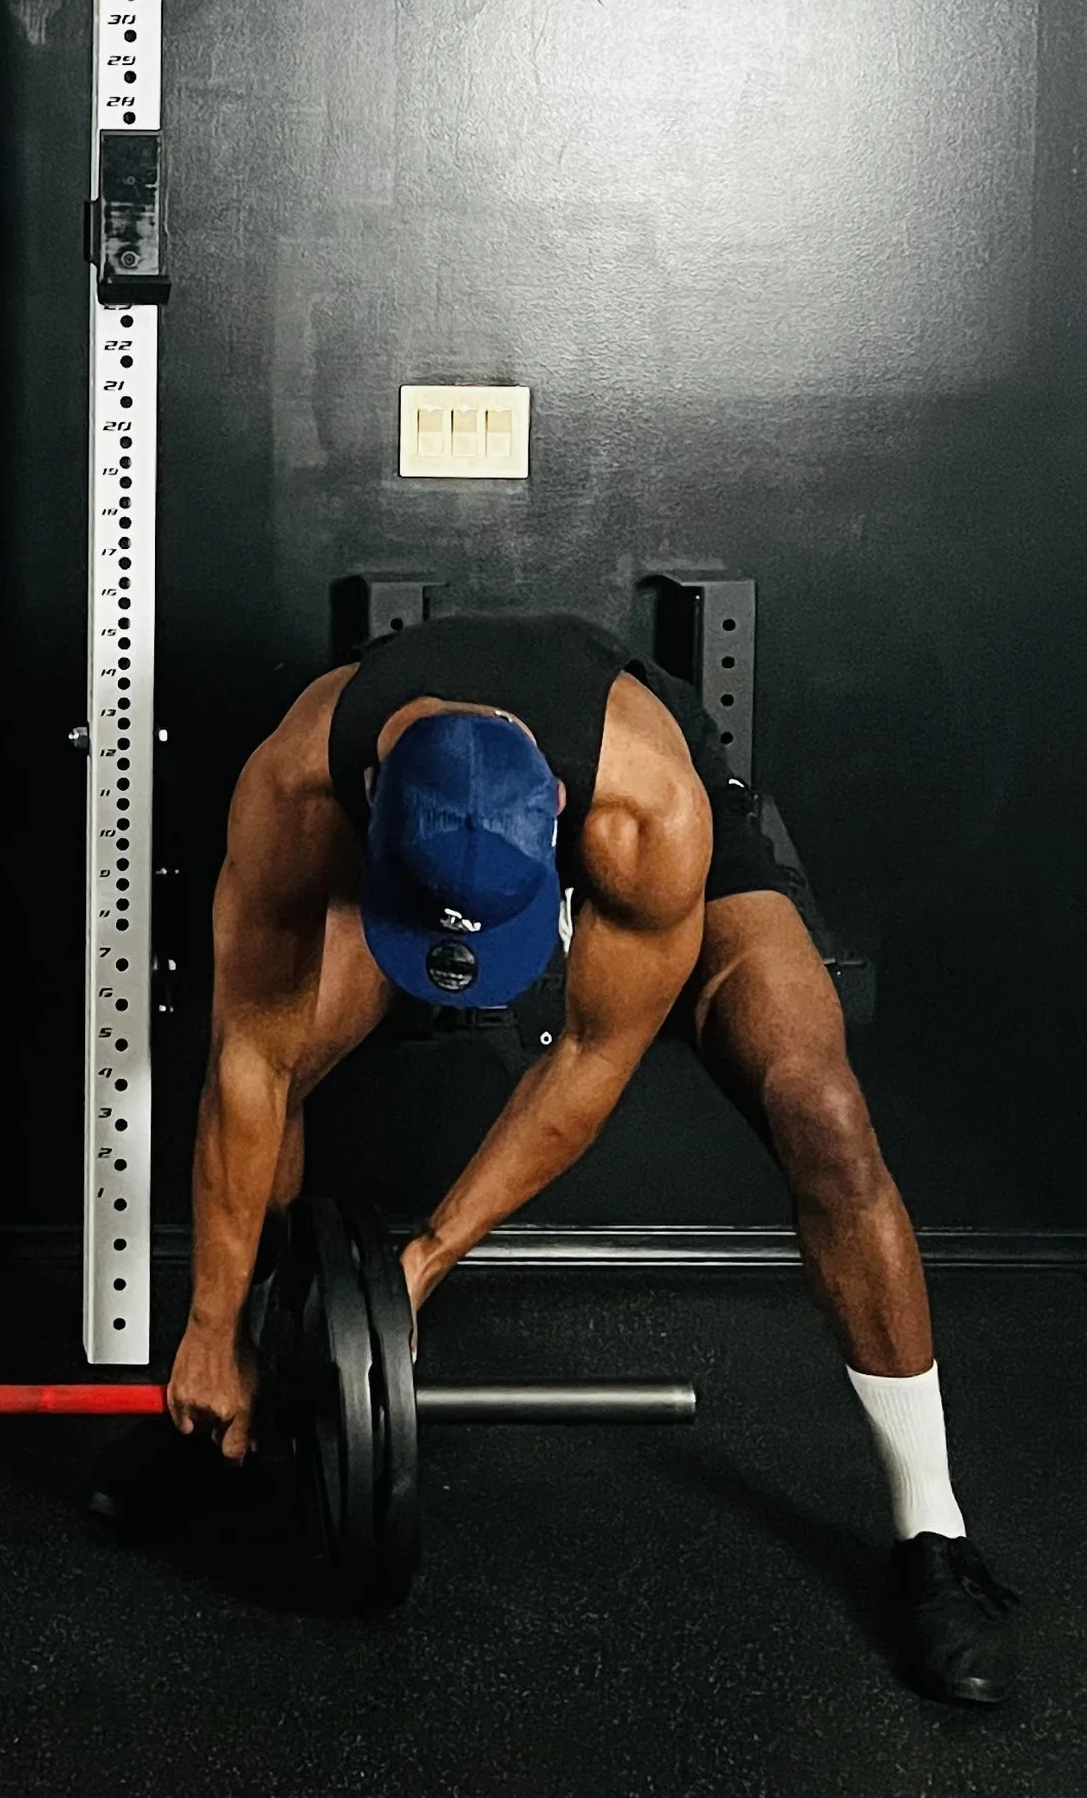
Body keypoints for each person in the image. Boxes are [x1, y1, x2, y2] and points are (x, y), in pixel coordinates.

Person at [162, 612, 1019, 1704]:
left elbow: (588, 1061)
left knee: (824, 1111)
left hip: (652, 831)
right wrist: (210, 1326)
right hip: (414, 850)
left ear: (557, 811)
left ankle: (930, 1532)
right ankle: (229, 1404)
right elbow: (245, 1065)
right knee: (276, 1058)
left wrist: (416, 1267)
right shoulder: (296, 784)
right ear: (371, 803)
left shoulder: (646, 810)